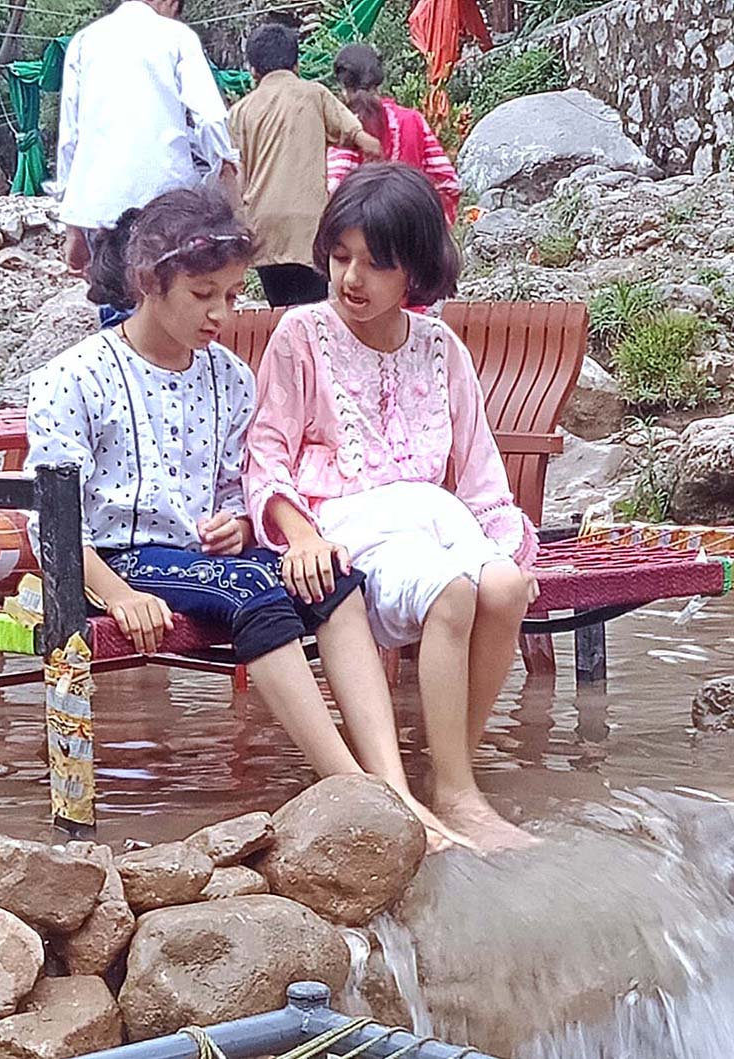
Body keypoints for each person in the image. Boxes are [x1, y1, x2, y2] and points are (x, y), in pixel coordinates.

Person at [24, 185, 456, 854]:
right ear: (148, 281)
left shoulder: (229, 378)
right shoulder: (73, 378)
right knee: (252, 591)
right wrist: (118, 594)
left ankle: (393, 782)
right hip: (119, 559)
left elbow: (239, 489)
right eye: (204, 295)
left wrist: (240, 525)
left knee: (336, 580)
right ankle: (357, 792)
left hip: (206, 562)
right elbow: (50, 528)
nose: (223, 313)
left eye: (232, 294)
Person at [245, 164, 540, 852]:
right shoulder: (302, 335)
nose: (352, 277)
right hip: (347, 524)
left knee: (502, 587)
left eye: (376, 264)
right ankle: (459, 794)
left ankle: (450, 780)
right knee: (452, 591)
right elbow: (266, 455)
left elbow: (479, 471)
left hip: (432, 520)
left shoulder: (442, 349)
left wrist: (502, 546)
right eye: (342, 256)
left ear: (416, 271)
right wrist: (300, 538)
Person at [57, 0, 239, 282]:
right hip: (166, 202)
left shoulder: (83, 43)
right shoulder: (177, 37)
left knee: (116, 298)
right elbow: (211, 118)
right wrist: (224, 166)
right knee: (167, 293)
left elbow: (70, 137)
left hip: (103, 207)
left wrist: (73, 224)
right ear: (170, 2)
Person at [228, 23, 381, 309]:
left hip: (264, 227)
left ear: (253, 71)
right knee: (313, 313)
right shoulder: (313, 94)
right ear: (296, 63)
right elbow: (356, 135)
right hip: (308, 226)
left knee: (282, 311)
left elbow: (236, 174)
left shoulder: (240, 112)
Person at [327, 44, 460, 226]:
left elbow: (334, 189)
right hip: (412, 236)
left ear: (343, 88)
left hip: (365, 242)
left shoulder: (345, 128)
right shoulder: (413, 120)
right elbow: (448, 183)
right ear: (379, 82)